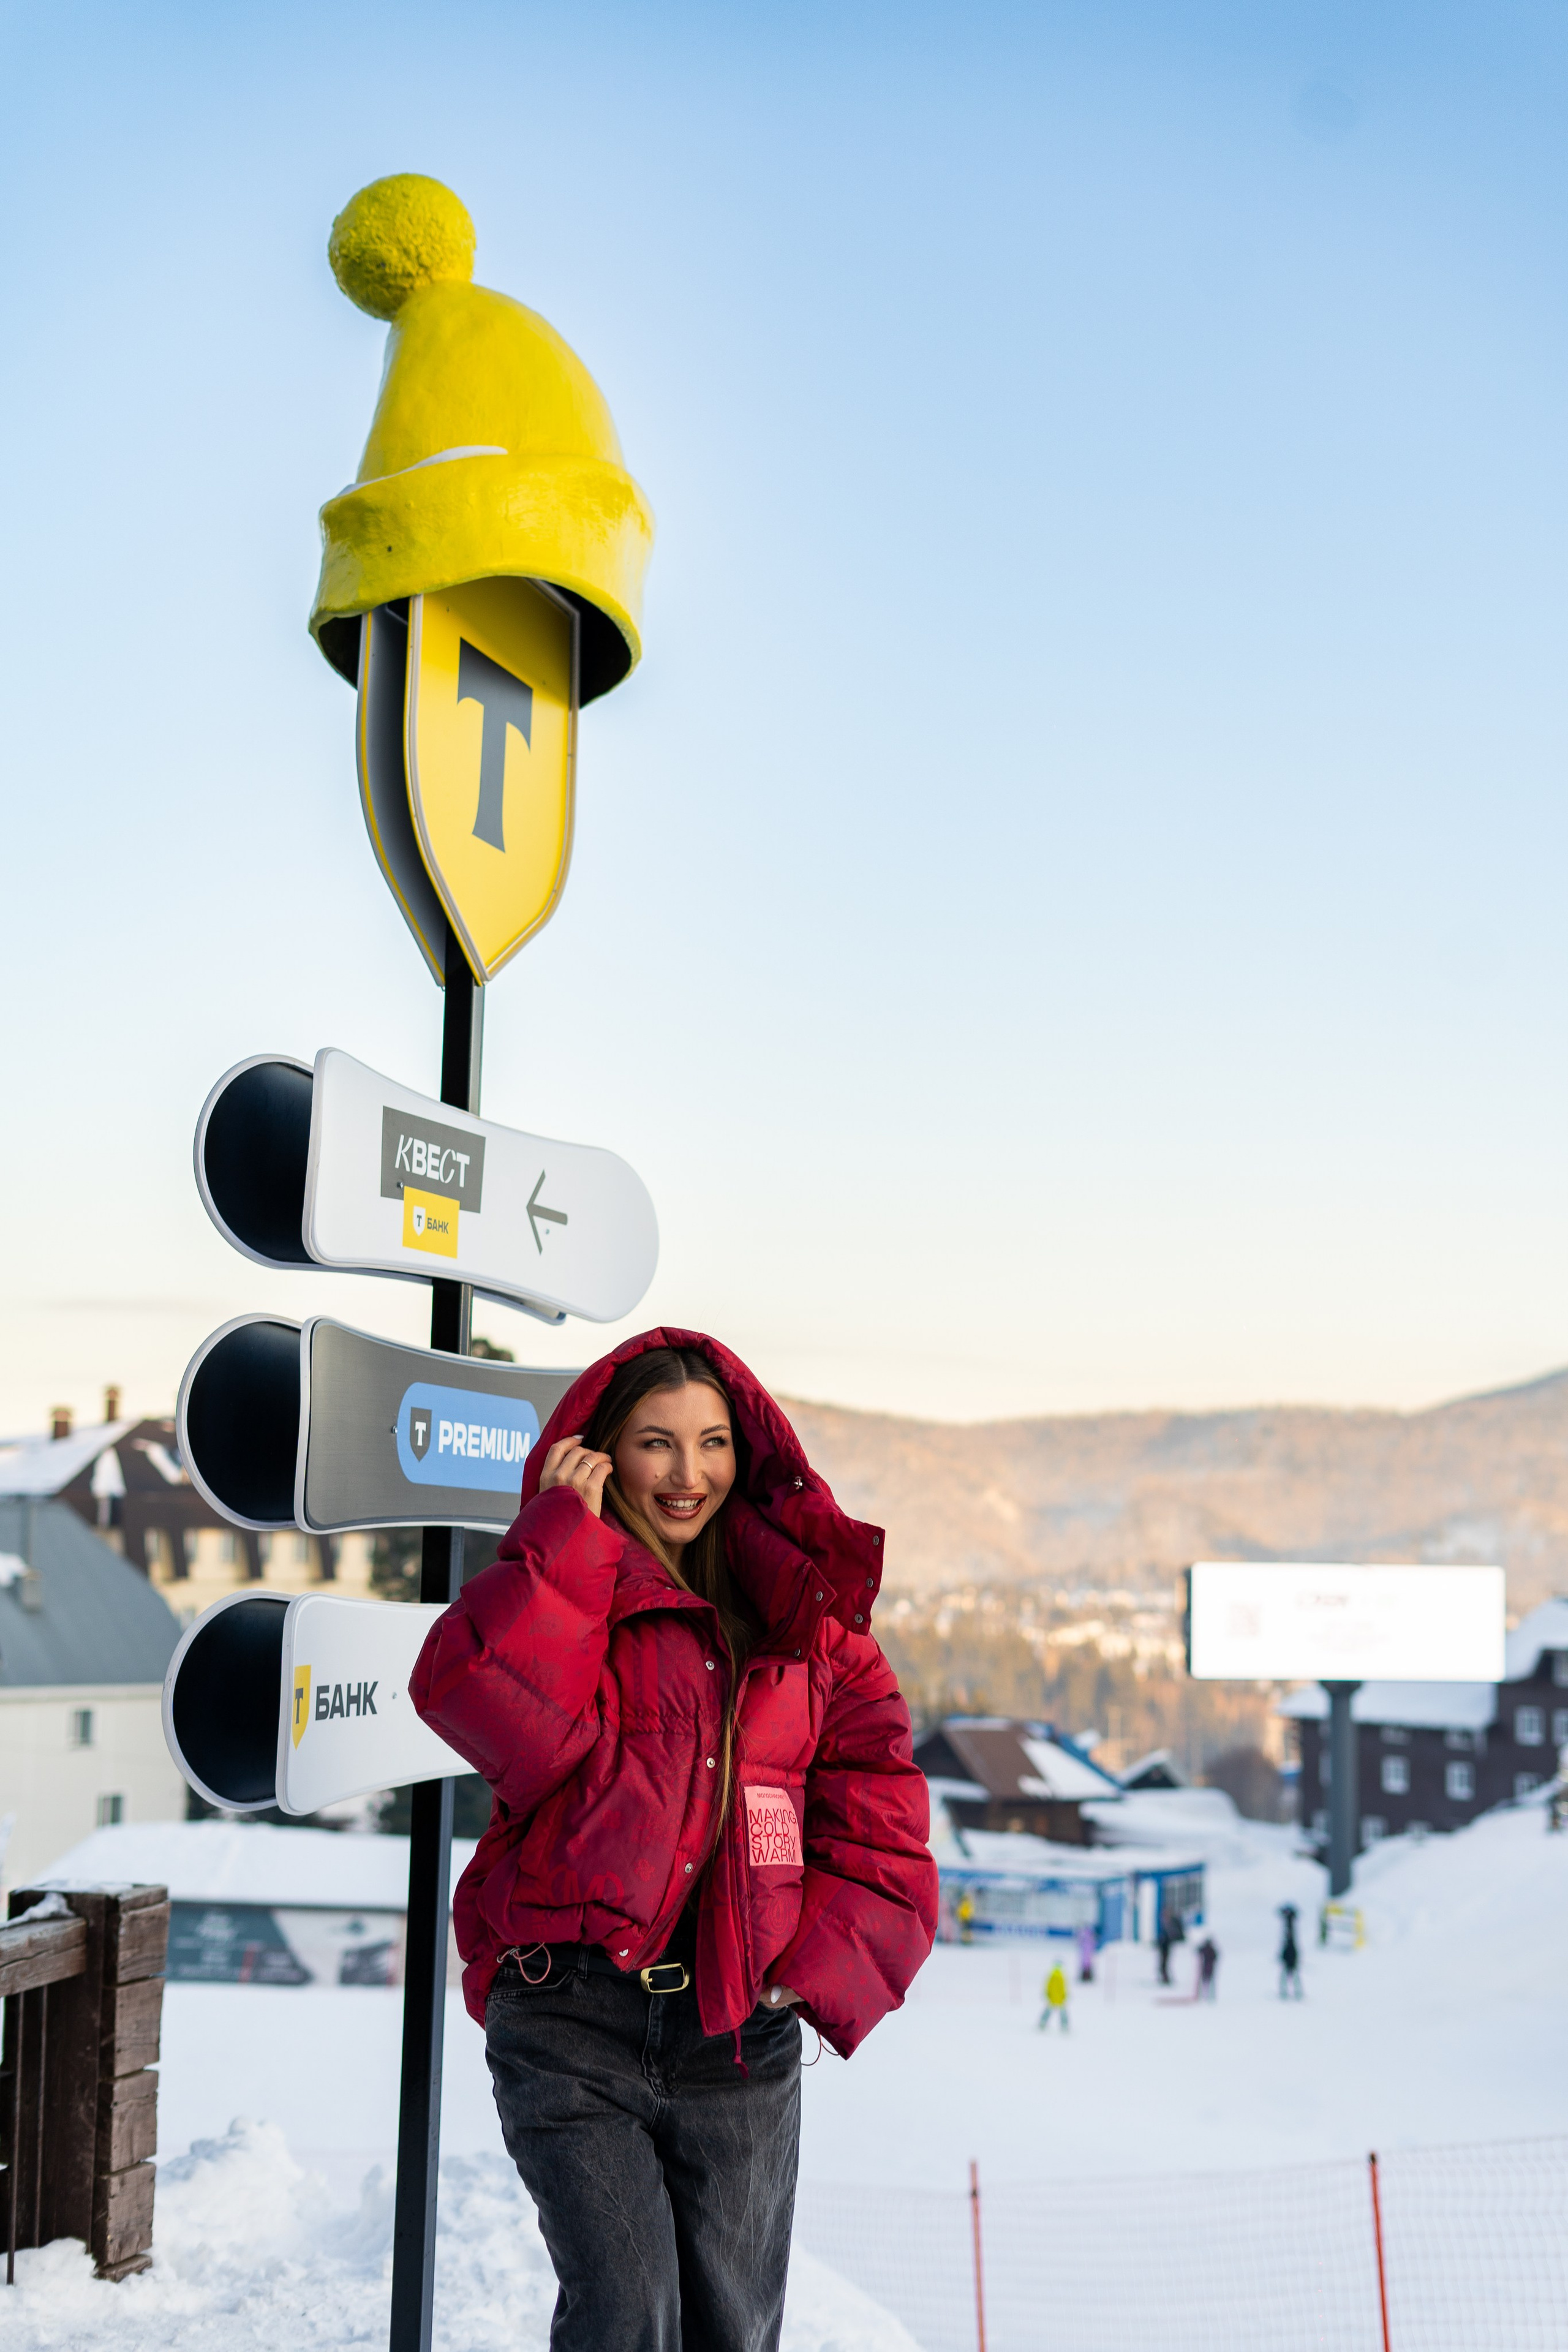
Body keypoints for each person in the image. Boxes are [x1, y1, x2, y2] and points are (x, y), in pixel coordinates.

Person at [410, 1330, 938, 2352]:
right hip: (569, 2016)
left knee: (731, 2331)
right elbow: (480, 1707)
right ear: (603, 1450)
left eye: (713, 1444)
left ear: (750, 1454)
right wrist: (562, 1539)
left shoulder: (810, 1621)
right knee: (624, 2312)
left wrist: (807, 1968)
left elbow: (878, 1807)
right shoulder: (566, 1583)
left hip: (736, 2035)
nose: (688, 1474)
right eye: (656, 1444)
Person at [1278, 1904, 1303, 1999]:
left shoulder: (1289, 1929)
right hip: (1290, 1954)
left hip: (1291, 1954)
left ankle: (1295, 1992)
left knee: (1292, 1975)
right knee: (1290, 1975)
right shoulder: (1288, 1929)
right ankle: (1289, 1991)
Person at [1039, 1958, 1070, 2031]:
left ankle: (1043, 2022)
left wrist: (1047, 1994)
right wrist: (1064, 1996)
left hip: (1055, 1998)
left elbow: (1050, 1986)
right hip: (1057, 1999)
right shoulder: (1059, 1976)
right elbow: (1062, 1988)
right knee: (1057, 2012)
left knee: (1051, 2011)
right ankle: (1064, 2025)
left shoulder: (1055, 1976)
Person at [1196, 1934, 1219, 2000]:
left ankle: (1207, 1996)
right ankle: (1208, 1996)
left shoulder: (1208, 1949)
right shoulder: (1211, 1950)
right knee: (1208, 1982)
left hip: (1206, 1968)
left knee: (1207, 1982)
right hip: (1208, 1968)